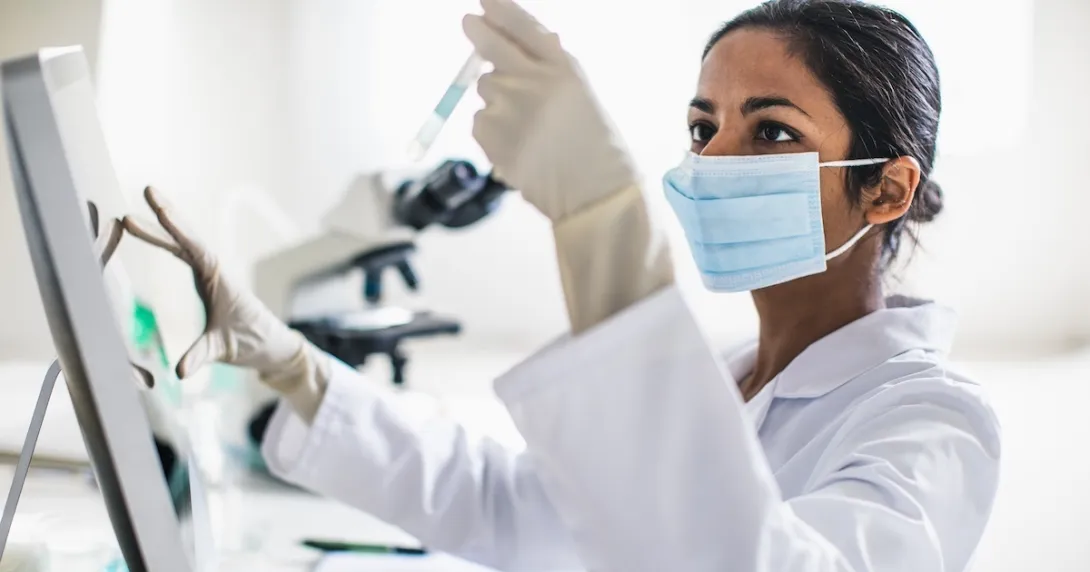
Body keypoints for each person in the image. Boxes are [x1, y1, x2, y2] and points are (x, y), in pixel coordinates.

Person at [122, 0, 1001, 570]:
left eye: (771, 132)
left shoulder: (933, 422)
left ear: (887, 189)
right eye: (703, 128)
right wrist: (295, 369)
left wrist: (601, 220)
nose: (715, 159)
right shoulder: (731, 374)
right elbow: (510, 507)